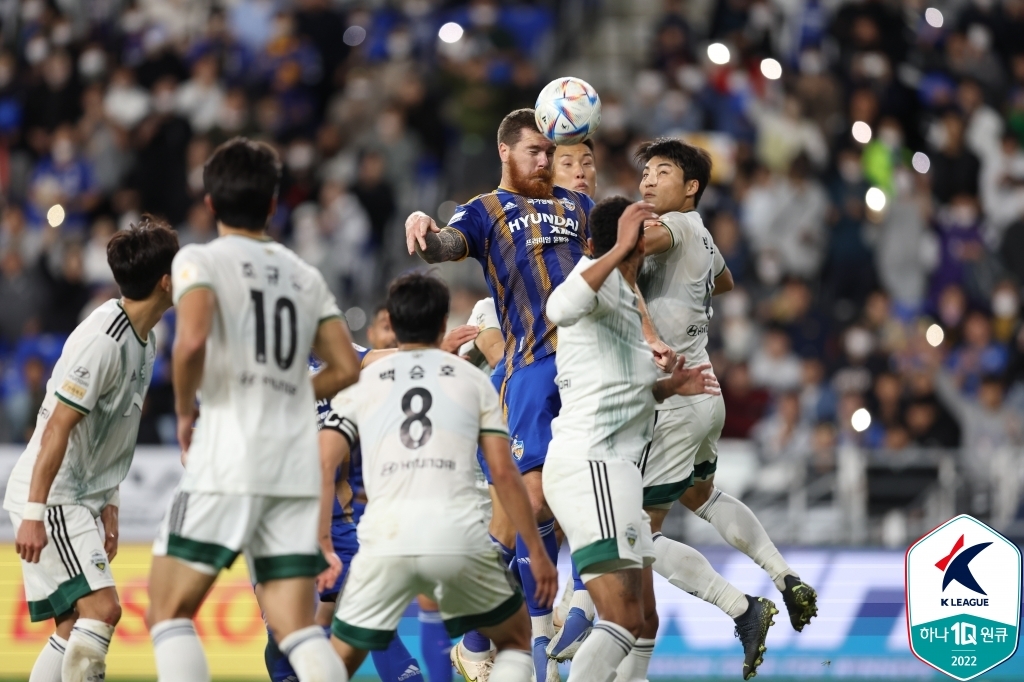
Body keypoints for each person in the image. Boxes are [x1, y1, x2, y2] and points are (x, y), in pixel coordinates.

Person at [147, 138, 362, 682]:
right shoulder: (303, 275)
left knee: (168, 611)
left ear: (211, 204)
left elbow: (190, 342)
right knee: (296, 627)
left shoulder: (200, 259)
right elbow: (346, 368)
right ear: (273, 205)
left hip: (228, 451)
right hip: (291, 465)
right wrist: (288, 392)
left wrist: (187, 413)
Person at [404, 108, 598, 682]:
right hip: (534, 366)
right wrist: (424, 228)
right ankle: (496, 632)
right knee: (534, 506)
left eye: (549, 151)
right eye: (534, 151)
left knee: (583, 497)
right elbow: (446, 245)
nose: (544, 160)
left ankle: (567, 617)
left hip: (592, 367)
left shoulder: (579, 207)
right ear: (505, 154)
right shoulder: (489, 209)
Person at [635, 138, 817, 678]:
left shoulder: (675, 226)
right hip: (705, 390)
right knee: (702, 495)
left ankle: (741, 608)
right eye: (644, 172)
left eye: (661, 172)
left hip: (677, 398)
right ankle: (784, 577)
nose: (646, 181)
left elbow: (635, 243)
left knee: (640, 534)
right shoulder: (704, 233)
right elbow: (726, 279)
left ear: (690, 188)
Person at [327, 272, 558, 682]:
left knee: (334, 661)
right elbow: (505, 474)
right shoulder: (473, 381)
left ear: (393, 328)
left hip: (385, 540)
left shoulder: (361, 384)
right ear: (442, 325)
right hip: (458, 538)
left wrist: (324, 542)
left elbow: (322, 462)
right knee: (517, 638)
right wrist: (538, 554)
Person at [542, 196, 721, 682]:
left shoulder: (624, 299)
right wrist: (618, 246)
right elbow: (556, 308)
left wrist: (668, 387)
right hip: (592, 463)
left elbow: (628, 391)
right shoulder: (593, 283)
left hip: (618, 470)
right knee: (620, 619)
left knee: (643, 620)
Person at [5, 217, 179, 682]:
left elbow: (110, 433)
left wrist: (111, 505)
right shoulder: (104, 340)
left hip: (82, 496)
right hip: (56, 493)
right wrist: (34, 512)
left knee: (72, 626)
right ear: (166, 281)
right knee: (103, 609)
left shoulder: (146, 341)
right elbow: (57, 428)